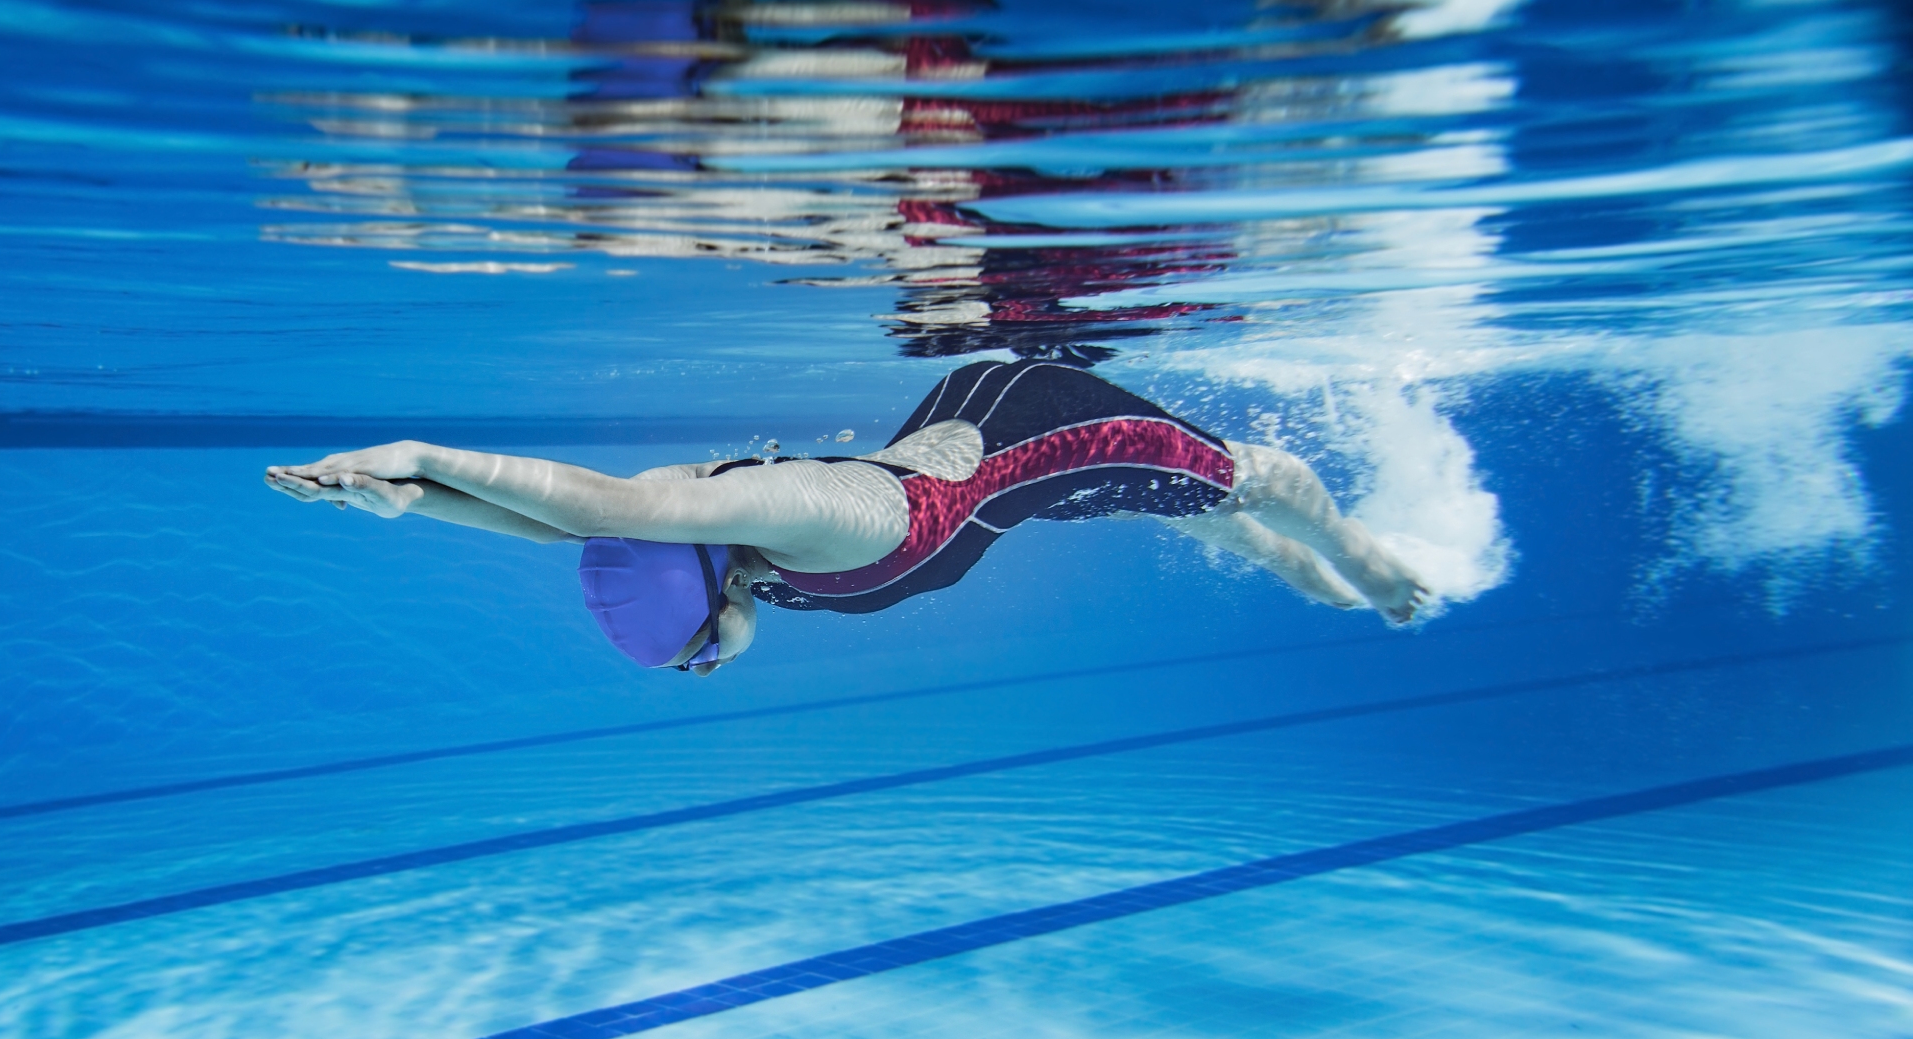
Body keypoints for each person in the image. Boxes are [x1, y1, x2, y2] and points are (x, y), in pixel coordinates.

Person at [266, 357, 1430, 674]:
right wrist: (414, 506)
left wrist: (417, 447)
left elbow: (603, 503)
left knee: (1251, 478)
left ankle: (1362, 560)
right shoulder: (745, 562)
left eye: (694, 660)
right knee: (1166, 507)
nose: (710, 669)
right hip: (1008, 468)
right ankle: (1279, 556)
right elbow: (574, 530)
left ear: (707, 595)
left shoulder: (816, 519)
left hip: (1043, 428)